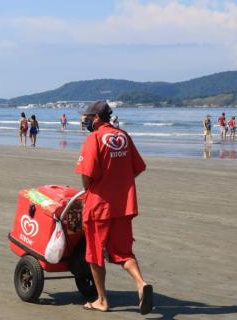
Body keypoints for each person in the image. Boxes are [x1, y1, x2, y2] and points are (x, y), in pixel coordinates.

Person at [75, 101, 152, 314]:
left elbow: (87, 176)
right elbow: (137, 168)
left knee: (95, 254)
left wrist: (96, 186)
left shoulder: (94, 138)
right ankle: (141, 284)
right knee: (123, 252)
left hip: (99, 206)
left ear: (97, 118)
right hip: (123, 205)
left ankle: (102, 300)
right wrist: (119, 183)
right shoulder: (124, 136)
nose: (86, 121)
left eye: (88, 117)